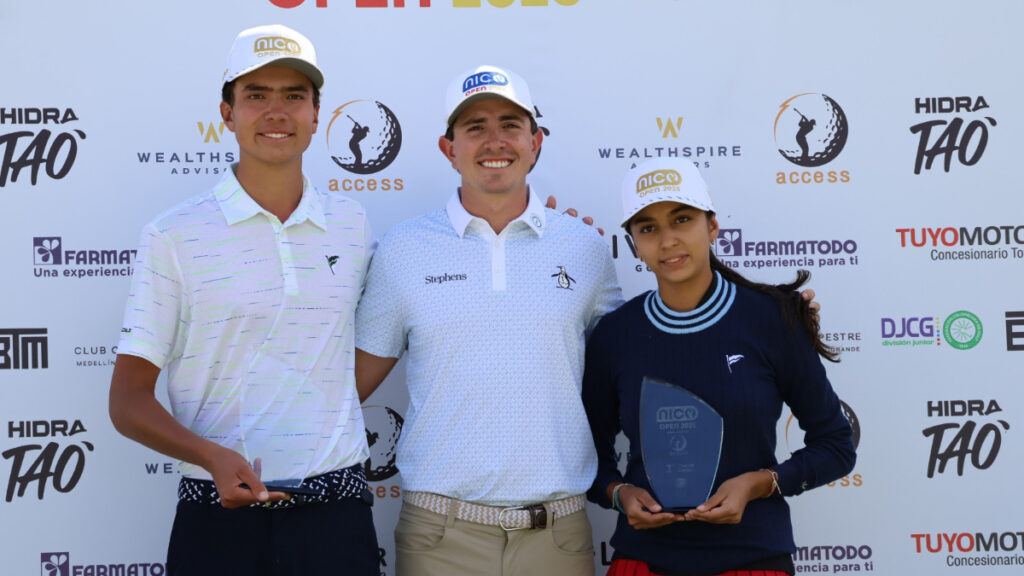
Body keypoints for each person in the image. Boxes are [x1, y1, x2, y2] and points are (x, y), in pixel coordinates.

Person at [108, 24, 379, 575]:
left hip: (336, 516)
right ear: (227, 114)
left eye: (293, 96)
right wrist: (211, 456)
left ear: (317, 114)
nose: (276, 112)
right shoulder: (174, 234)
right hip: (218, 519)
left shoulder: (351, 223)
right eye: (256, 95)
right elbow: (127, 400)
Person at [354, 64, 623, 576]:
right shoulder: (403, 250)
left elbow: (635, 356)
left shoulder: (585, 247)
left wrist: (773, 310)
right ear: (448, 147)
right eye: (474, 127)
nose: (494, 140)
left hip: (558, 534)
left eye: (510, 124)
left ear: (536, 141)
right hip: (438, 536)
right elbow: (351, 384)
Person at [582, 157, 856, 576]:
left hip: (753, 557)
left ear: (711, 226)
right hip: (644, 559)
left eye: (682, 219)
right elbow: (586, 456)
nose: (668, 239)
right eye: (648, 227)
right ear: (634, 244)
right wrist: (618, 493)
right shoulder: (615, 335)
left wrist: (760, 483)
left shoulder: (774, 319)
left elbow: (836, 445)